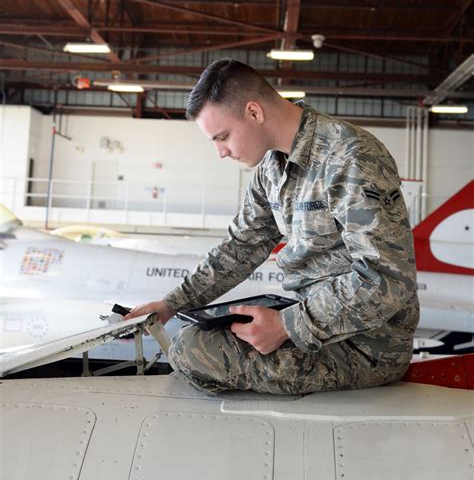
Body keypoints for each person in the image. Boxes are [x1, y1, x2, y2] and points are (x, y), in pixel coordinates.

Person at [125, 59, 419, 395]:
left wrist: (288, 325)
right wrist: (171, 304)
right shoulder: (272, 170)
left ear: (253, 112)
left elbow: (385, 279)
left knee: (191, 350)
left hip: (367, 346)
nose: (221, 152)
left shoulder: (350, 155)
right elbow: (240, 247)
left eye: (222, 137)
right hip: (315, 325)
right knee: (199, 338)